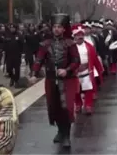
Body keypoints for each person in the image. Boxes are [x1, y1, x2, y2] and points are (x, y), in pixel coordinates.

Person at [30, 13, 80, 148]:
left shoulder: (70, 43)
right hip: (51, 80)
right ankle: (60, 131)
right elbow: (39, 59)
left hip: (67, 80)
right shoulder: (45, 44)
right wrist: (34, 73)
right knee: (54, 106)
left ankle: (67, 136)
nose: (56, 29)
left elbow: (76, 61)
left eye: (59, 27)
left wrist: (67, 70)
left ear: (64, 29)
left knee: (67, 108)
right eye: (54, 27)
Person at [72, 24, 103, 115]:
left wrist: (99, 69)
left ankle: (88, 105)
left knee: (89, 89)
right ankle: (78, 104)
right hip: (75, 72)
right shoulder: (70, 47)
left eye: (82, 35)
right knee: (76, 90)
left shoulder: (89, 46)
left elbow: (95, 59)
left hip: (87, 71)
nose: (80, 37)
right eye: (78, 35)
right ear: (74, 36)